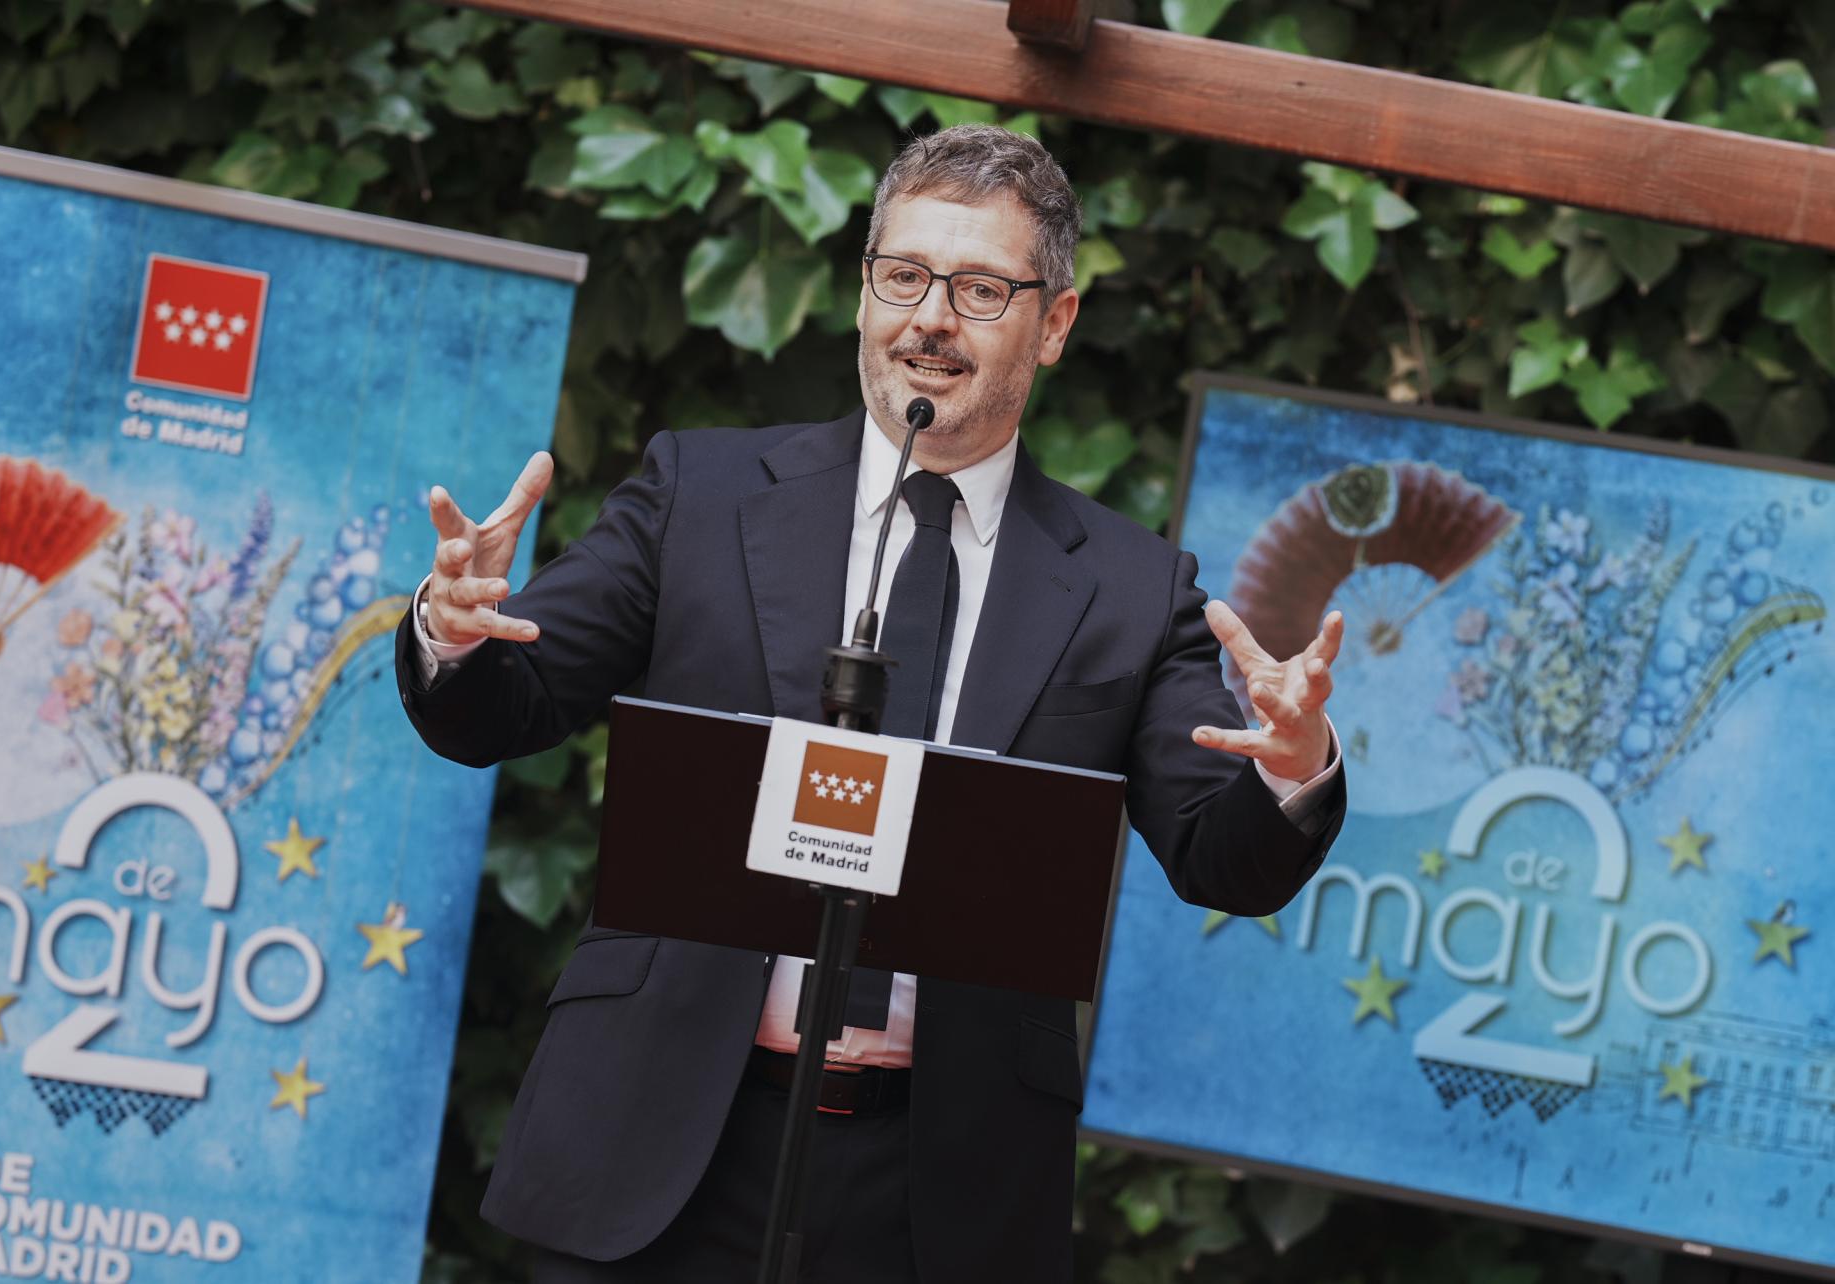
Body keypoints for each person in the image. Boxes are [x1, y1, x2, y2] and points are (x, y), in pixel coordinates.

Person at [395, 124, 1347, 1284]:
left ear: (1054, 324)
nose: (929, 319)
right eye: (902, 276)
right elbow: (506, 706)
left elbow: (1222, 857)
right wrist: (453, 632)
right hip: (652, 1139)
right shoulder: (701, 493)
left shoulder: (1130, 589)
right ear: (862, 294)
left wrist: (1291, 763)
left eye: (980, 289)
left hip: (936, 1196)